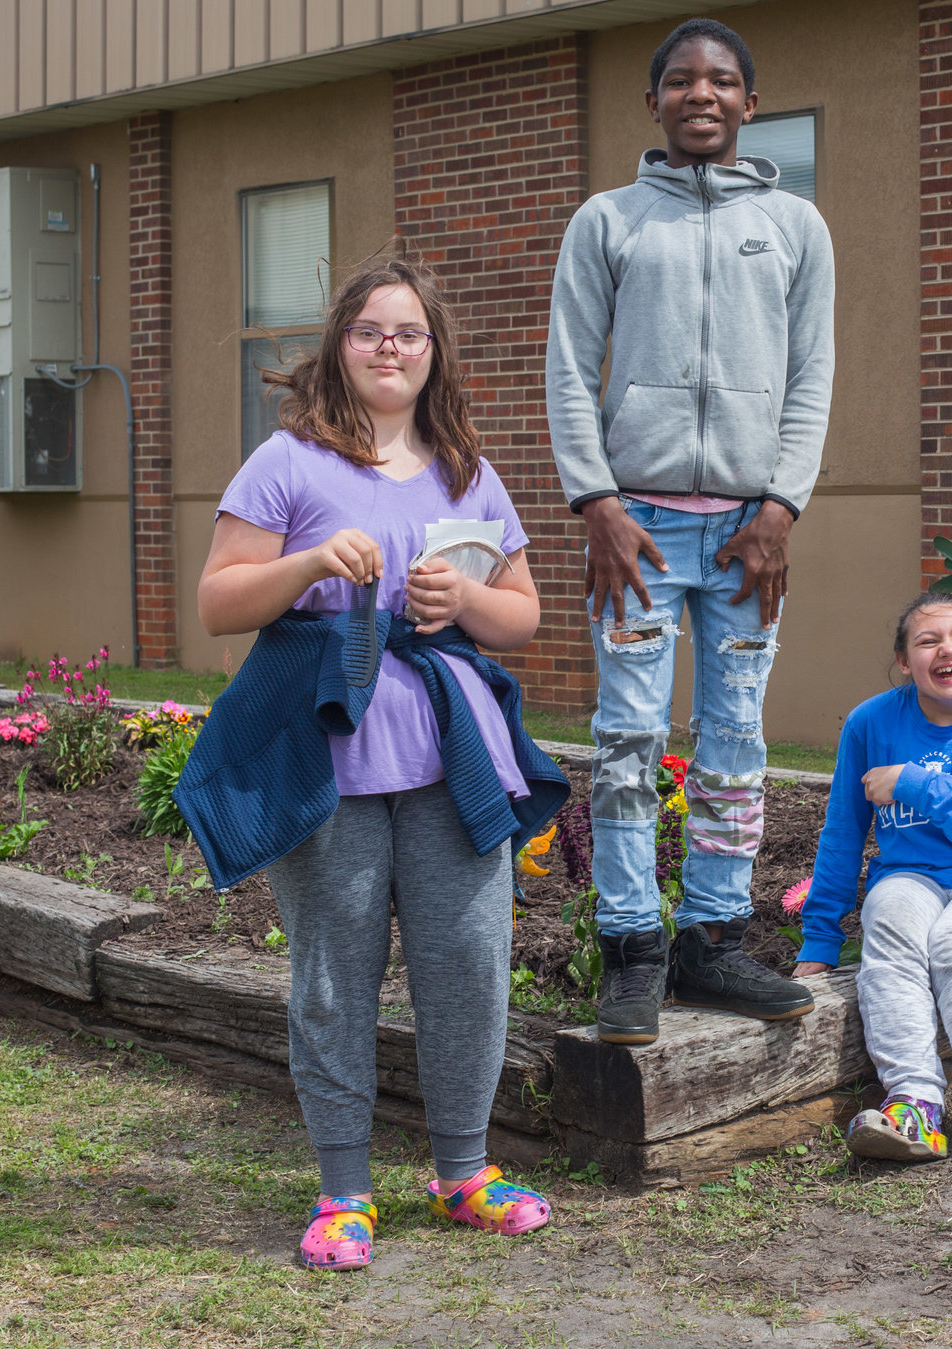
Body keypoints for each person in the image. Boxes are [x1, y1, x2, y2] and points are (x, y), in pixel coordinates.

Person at [192, 256, 564, 1271]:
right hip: (331, 767)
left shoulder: (463, 470)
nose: (389, 346)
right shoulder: (286, 463)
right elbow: (219, 600)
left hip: (453, 765)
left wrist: (463, 607)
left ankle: (463, 1171)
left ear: (432, 351)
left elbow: (521, 614)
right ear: (338, 347)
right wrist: (311, 562)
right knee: (332, 979)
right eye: (369, 330)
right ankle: (343, 1188)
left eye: (408, 332)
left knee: (469, 969)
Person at [545, 17, 835, 1045]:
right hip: (639, 533)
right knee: (626, 740)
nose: (700, 94)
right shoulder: (608, 221)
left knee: (736, 740)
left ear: (750, 104)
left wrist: (780, 505)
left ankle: (710, 937)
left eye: (720, 81)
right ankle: (630, 943)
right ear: (653, 101)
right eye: (679, 80)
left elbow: (810, 380)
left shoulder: (796, 228)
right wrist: (597, 504)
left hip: (749, 539)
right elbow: (570, 373)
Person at [793, 594, 952, 1163]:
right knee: (889, 918)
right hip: (912, 877)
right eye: (928, 641)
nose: (948, 650)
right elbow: (842, 833)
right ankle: (913, 1106)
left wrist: (914, 781)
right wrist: (819, 939)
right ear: (904, 661)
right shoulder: (871, 722)